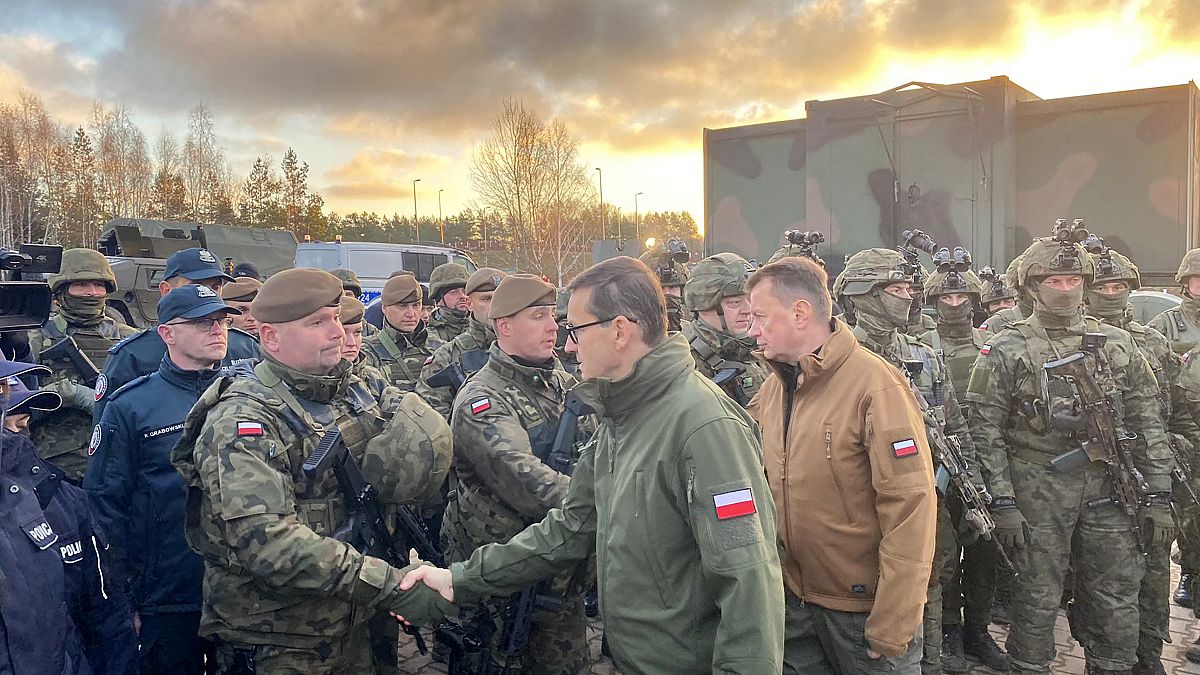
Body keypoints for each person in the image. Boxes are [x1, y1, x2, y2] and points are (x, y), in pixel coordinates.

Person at [401, 256, 784, 674]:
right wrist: (458, 579)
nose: (567, 344)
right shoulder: (623, 413)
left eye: (575, 330)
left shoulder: (704, 425)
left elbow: (749, 584)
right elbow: (571, 527)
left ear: (619, 331)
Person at [169, 268, 454, 672]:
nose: (337, 332)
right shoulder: (241, 420)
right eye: (317, 322)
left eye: (336, 317)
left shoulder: (357, 386)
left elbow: (421, 435)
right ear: (271, 337)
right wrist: (390, 584)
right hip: (281, 639)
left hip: (354, 621)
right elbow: (269, 544)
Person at [967, 236, 1174, 674]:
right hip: (1035, 487)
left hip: (1111, 488)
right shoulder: (1007, 348)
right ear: (1032, 287)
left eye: (1074, 279)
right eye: (1054, 280)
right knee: (1036, 595)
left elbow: (1148, 418)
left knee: (1115, 593)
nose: (1066, 288)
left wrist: (1158, 494)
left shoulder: (1118, 343)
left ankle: (1112, 664)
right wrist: (1002, 502)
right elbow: (984, 430)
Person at [745, 255, 935, 673]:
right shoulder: (775, 389)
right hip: (797, 609)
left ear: (800, 313)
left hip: (862, 615)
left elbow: (910, 508)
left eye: (759, 316)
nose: (751, 329)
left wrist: (893, 621)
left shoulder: (875, 386)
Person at [86, 285, 242, 673]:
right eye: (203, 322)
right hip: (168, 594)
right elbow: (105, 506)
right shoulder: (131, 406)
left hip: (243, 590)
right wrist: (124, 599)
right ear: (168, 334)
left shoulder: (247, 395)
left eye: (221, 321)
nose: (218, 330)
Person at [834, 248, 975, 675]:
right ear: (862, 295)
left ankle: (929, 662)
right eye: (894, 289)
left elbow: (954, 428)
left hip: (926, 495)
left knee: (930, 579)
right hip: (860, 503)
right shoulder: (836, 358)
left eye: (908, 288)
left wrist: (969, 487)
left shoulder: (926, 355)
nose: (907, 297)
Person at [442, 274, 591, 673]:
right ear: (504, 325)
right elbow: (524, 479)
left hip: (556, 568)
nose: (553, 325)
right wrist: (604, 501)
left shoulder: (561, 380)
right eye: (538, 316)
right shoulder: (483, 399)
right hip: (500, 574)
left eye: (552, 316)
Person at [1084, 247, 1197, 673]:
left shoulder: (1153, 340)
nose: (1111, 294)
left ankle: (1149, 657)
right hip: (1096, 482)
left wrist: (1176, 449)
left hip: (1151, 476)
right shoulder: (1077, 341)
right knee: (1103, 585)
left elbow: (1179, 408)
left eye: (1118, 287)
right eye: (1101, 288)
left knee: (1153, 575)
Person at [1, 360, 139, 675]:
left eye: (22, 425)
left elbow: (105, 615)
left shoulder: (62, 498)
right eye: (5, 425)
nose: (17, 437)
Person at [920, 266, 1009, 671]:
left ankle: (978, 629)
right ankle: (949, 631)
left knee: (984, 552)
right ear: (933, 303)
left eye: (961, 299)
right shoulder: (922, 346)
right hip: (936, 464)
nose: (954, 306)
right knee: (943, 553)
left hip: (987, 458)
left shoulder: (991, 343)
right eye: (945, 299)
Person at [94, 247, 257, 425]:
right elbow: (111, 427)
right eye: (197, 286)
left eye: (215, 287)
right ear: (165, 290)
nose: (207, 294)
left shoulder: (244, 346)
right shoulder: (132, 354)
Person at [25, 248, 138, 481]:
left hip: (121, 460)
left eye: (99, 285)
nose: (92, 293)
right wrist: (59, 395)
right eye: (81, 285)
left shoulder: (133, 340)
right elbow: (11, 408)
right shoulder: (33, 340)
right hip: (55, 466)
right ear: (61, 291)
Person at [417, 268, 508, 420]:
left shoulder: (531, 351)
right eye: (487, 299)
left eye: (503, 298)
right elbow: (433, 423)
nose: (497, 306)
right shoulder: (446, 356)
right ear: (469, 303)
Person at [681, 252, 769, 405]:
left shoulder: (761, 351)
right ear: (705, 305)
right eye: (735, 302)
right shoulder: (686, 365)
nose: (747, 310)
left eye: (749, 300)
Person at [363, 274, 441, 392]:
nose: (411, 313)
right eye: (402, 306)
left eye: (415, 305)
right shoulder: (368, 352)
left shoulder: (438, 346)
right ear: (384, 308)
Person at [639, 244, 689, 332]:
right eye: (660, 289)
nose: (667, 293)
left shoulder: (695, 334)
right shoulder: (630, 338)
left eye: (673, 287)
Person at [980, 256, 1029, 338]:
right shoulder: (983, 333)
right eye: (995, 303)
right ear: (987, 309)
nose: (1002, 306)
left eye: (1008, 301)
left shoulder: (1030, 328)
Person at [427, 263, 472, 342]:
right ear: (439, 300)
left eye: (465, 291)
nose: (463, 296)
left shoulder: (481, 329)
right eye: (453, 292)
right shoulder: (428, 336)